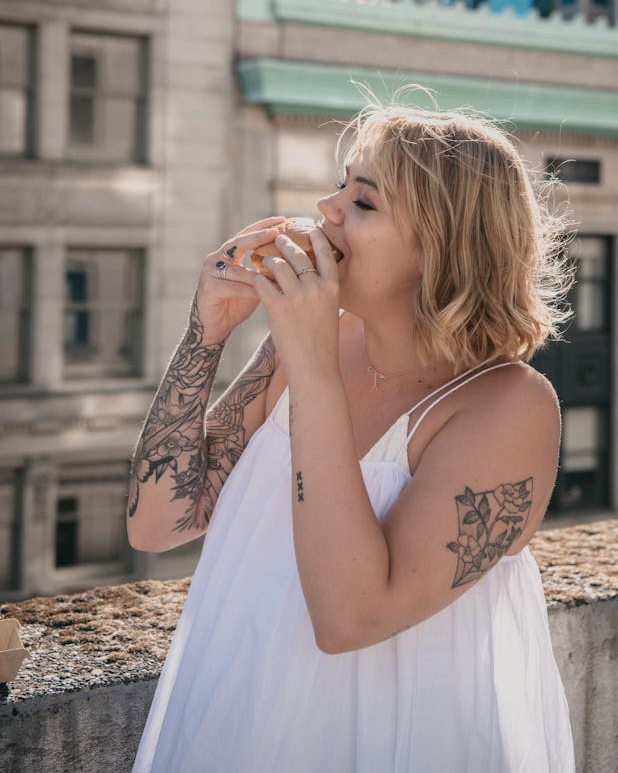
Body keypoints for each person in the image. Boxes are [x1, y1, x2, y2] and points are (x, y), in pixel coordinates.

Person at [128, 101, 576, 773]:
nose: (325, 208)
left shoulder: (508, 407)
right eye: (341, 186)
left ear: (443, 246)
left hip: (396, 737)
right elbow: (159, 524)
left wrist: (309, 365)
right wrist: (206, 333)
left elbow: (350, 621)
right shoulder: (317, 343)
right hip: (247, 710)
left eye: (362, 203)